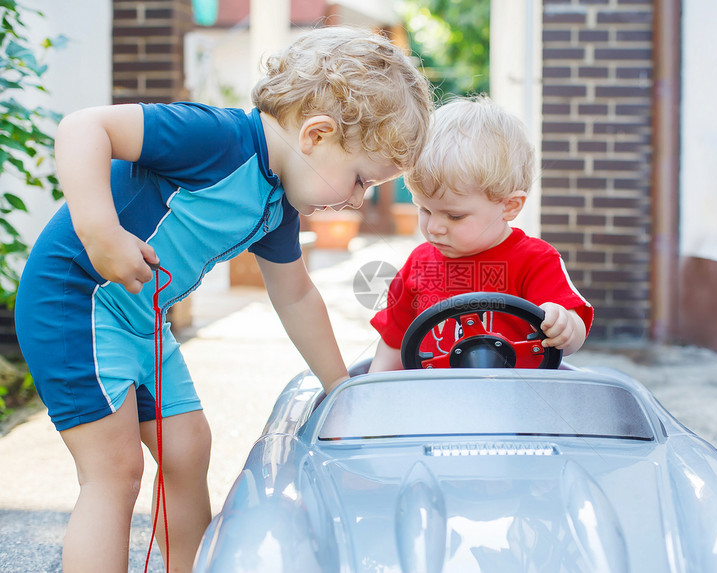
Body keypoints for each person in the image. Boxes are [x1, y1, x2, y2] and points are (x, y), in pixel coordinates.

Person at [14, 26, 432, 573]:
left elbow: (298, 296)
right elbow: (83, 128)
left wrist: (342, 391)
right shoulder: (215, 139)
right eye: (360, 180)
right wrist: (101, 233)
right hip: (77, 301)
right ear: (316, 135)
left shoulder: (275, 204)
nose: (357, 199)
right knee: (114, 471)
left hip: (141, 320)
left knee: (188, 448)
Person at [369, 96, 593, 372]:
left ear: (509, 206)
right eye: (424, 209)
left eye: (455, 216)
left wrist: (564, 324)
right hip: (432, 401)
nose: (434, 227)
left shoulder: (535, 260)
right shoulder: (419, 263)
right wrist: (373, 393)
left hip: (517, 403)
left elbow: (571, 338)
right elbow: (393, 343)